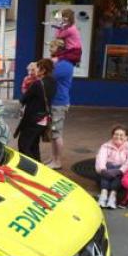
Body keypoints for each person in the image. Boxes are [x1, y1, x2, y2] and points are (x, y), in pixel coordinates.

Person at [15, 58, 56, 161]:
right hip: (44, 119)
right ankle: (38, 165)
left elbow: (24, 99)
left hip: (32, 119)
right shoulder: (53, 82)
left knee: (24, 145)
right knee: (34, 145)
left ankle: (30, 168)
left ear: (43, 70)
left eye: (37, 67)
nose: (35, 70)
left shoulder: (37, 84)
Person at [47, 39, 74, 169]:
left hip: (58, 102)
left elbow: (49, 75)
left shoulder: (64, 65)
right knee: (53, 133)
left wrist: (49, 65)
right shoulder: (60, 63)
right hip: (55, 101)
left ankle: (57, 161)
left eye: (52, 48)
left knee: (56, 133)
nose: (50, 50)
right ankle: (54, 158)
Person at [94, 125, 128, 209]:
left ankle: (112, 196)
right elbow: (100, 158)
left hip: (121, 171)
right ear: (112, 135)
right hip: (107, 169)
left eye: (121, 135)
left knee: (119, 173)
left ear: (126, 137)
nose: (118, 137)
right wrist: (103, 170)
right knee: (108, 168)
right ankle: (104, 194)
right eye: (116, 134)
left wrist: (120, 171)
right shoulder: (105, 146)